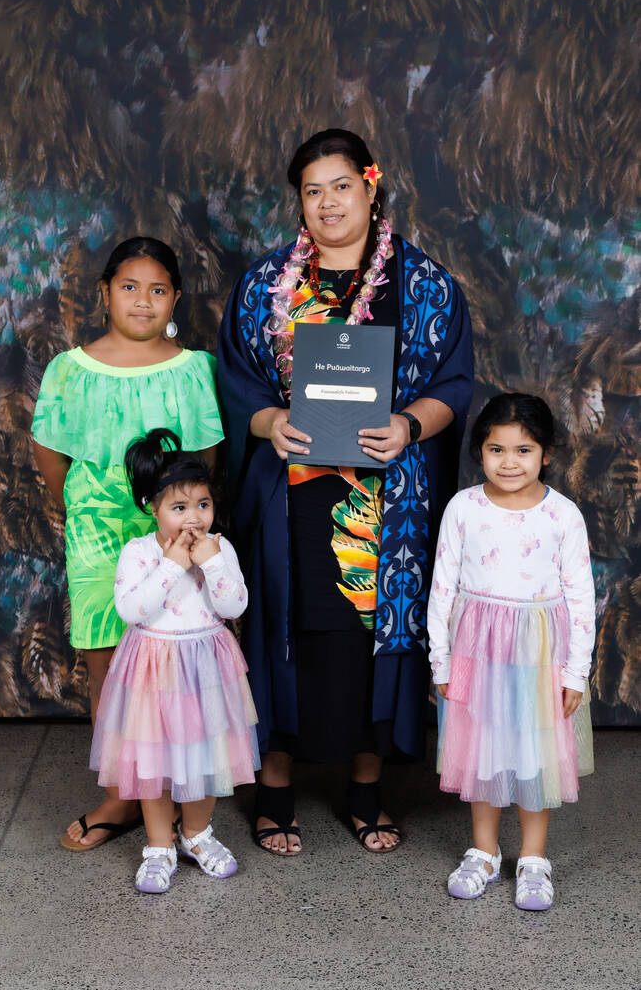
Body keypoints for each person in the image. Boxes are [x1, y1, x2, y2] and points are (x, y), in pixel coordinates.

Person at [217, 128, 473, 854]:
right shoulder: (265, 285)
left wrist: (408, 423)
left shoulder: (423, 286)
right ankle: (273, 785)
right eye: (311, 190)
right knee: (286, 628)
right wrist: (270, 420)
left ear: (369, 185)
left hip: (386, 498)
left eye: (340, 185)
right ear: (298, 200)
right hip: (291, 489)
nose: (327, 202)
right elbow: (236, 381)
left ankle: (367, 786)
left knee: (370, 640)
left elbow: (454, 381)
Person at [32, 236, 223, 850]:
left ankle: (180, 788)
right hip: (97, 537)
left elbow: (206, 459)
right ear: (104, 293)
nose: (144, 301)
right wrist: (85, 513)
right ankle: (124, 794)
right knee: (109, 664)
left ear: (176, 299)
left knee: (178, 661)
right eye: (130, 287)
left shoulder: (193, 368)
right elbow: (50, 451)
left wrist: (184, 526)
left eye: (159, 290)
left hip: (173, 535)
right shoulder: (70, 369)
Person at [427, 393, 595, 910]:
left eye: (523, 450)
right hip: (477, 649)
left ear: (546, 454)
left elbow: (582, 596)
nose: (509, 462)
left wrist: (575, 672)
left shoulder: (562, 515)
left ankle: (534, 860)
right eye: (496, 449)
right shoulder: (463, 507)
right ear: (480, 452)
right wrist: (441, 659)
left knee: (531, 755)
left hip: (538, 655)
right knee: (483, 752)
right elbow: (443, 587)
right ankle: (483, 852)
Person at [90, 429, 259, 892]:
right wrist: (173, 566)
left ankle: (197, 834)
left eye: (202, 505)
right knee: (155, 763)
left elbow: (234, 607)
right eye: (179, 508)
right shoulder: (141, 553)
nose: (194, 518)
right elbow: (131, 610)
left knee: (203, 757)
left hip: (205, 667)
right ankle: (160, 844)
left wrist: (212, 563)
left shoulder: (218, 549)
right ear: (153, 508)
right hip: (154, 668)